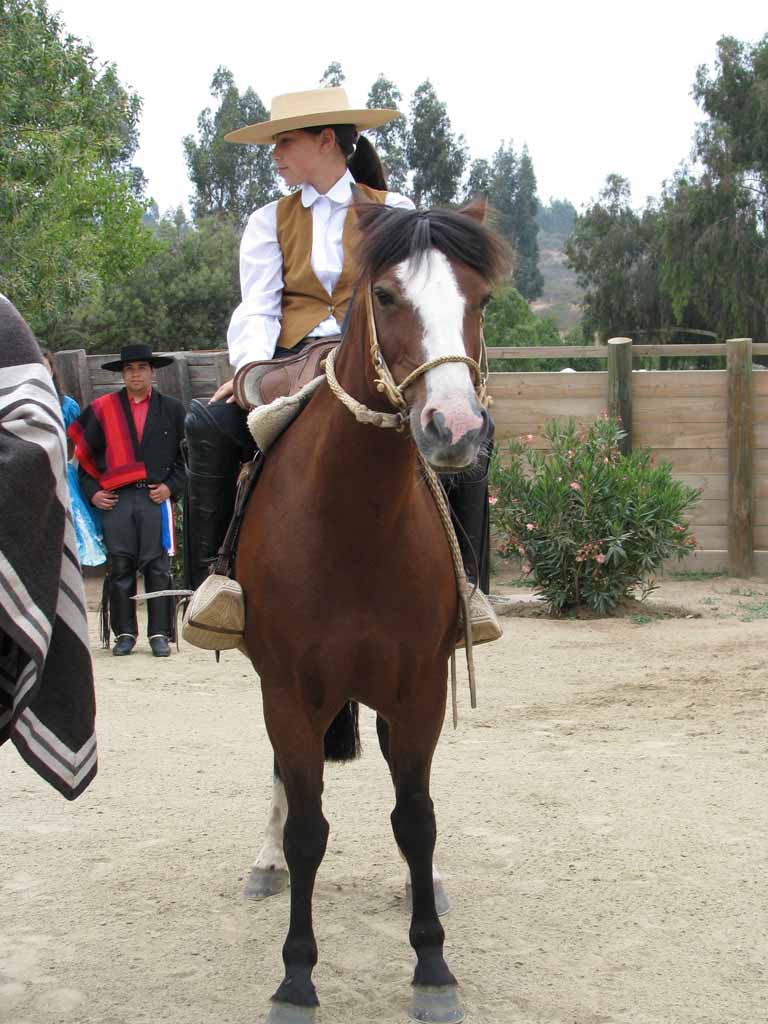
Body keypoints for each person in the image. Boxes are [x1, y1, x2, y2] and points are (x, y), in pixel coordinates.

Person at [184, 87, 496, 643]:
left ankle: (467, 588)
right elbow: (256, 305)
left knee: (478, 429)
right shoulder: (266, 221)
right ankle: (215, 583)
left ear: (327, 140)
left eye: (285, 141)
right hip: (294, 360)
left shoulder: (395, 210)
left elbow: (425, 295)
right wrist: (247, 370)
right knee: (208, 425)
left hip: (382, 355)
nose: (275, 153)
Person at [0, 294, 97, 799]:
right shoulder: (273, 227)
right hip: (279, 362)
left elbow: (39, 436)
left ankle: (215, 571)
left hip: (340, 356)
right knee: (214, 427)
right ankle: (226, 569)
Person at [68, 344, 186, 657]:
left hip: (154, 497)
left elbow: (187, 459)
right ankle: (125, 634)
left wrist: (170, 488)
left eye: (141, 368)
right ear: (122, 374)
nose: (135, 374)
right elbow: (83, 459)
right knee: (120, 566)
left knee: (157, 566)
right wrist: (93, 492)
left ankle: (160, 634)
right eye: (129, 369)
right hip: (117, 500)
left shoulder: (173, 410)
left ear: (152, 371)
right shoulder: (103, 409)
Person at [41, 350, 107, 569]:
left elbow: (77, 444)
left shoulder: (67, 405)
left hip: (61, 469)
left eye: (46, 368)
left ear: (52, 371)